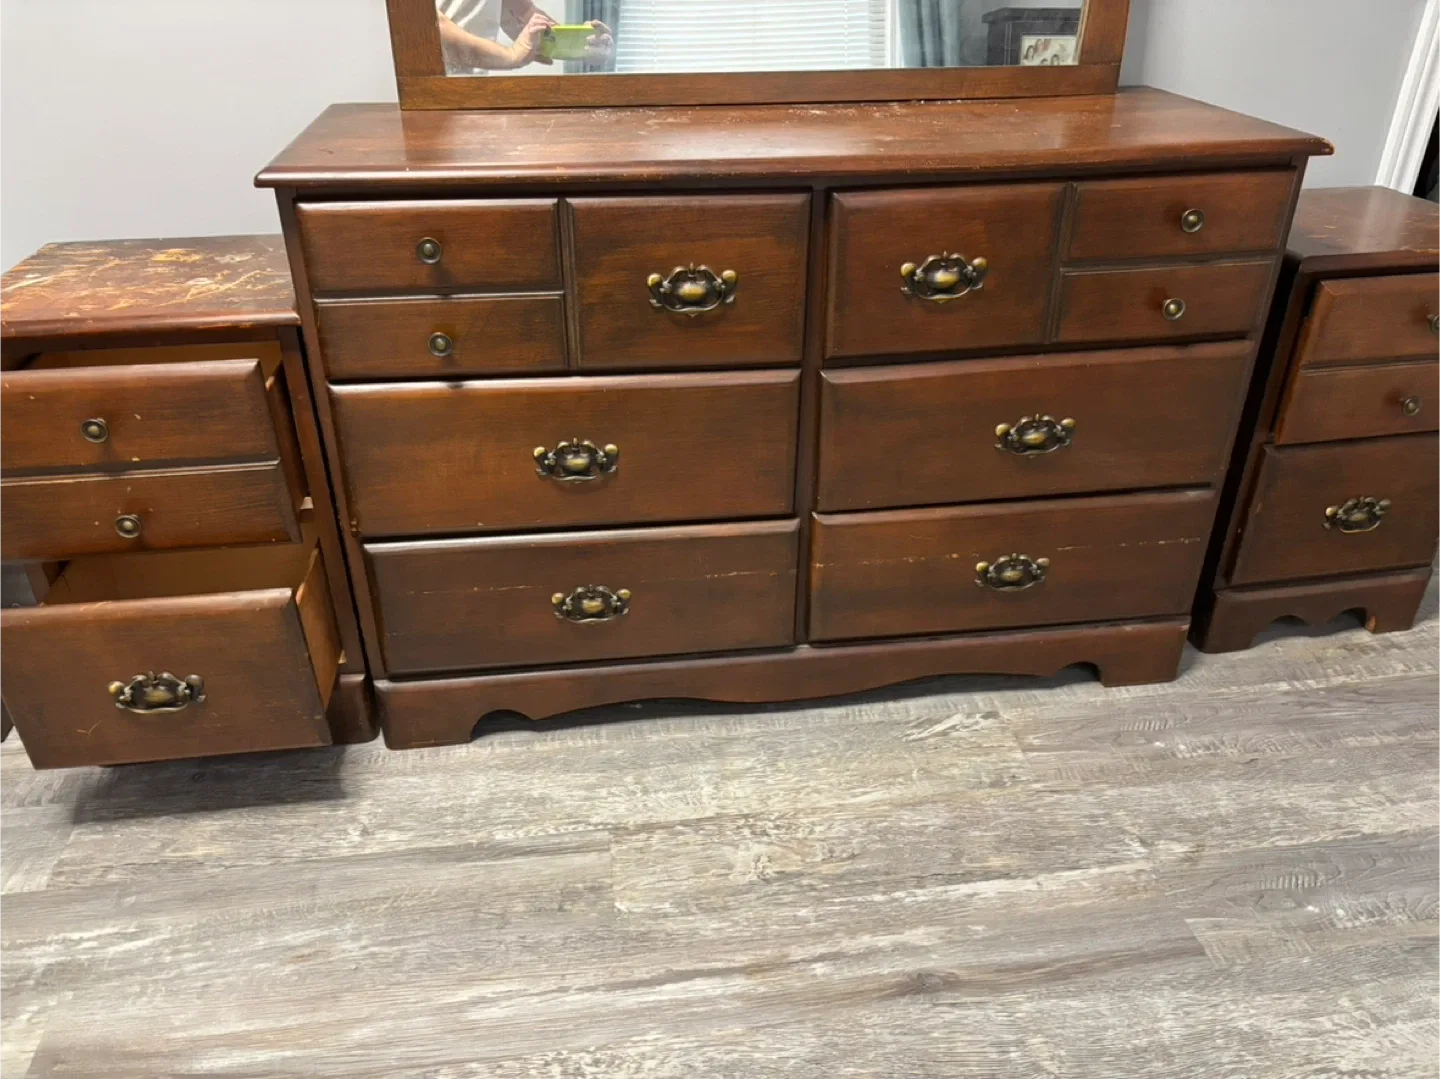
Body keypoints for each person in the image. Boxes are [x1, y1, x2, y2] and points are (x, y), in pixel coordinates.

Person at [437, 0, 610, 72]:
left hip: (472, 91)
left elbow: (525, 14)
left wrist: (581, 43)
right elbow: (432, 25)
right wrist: (512, 55)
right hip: (425, 93)